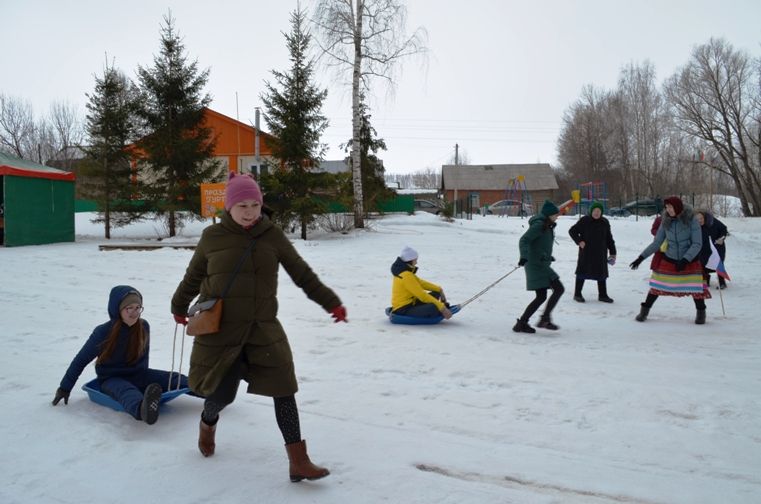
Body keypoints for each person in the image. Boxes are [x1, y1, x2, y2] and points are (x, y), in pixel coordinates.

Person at [171, 172, 346, 482]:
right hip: (222, 331)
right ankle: (207, 423)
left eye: (254, 204)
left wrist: (330, 302)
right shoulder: (213, 238)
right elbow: (193, 277)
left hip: (263, 328)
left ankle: (298, 461)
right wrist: (178, 306)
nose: (250, 211)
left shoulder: (272, 235)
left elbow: (301, 273)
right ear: (229, 207)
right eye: (242, 205)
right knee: (222, 395)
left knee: (285, 389)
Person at [52, 285, 188, 425]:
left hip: (138, 374)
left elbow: (143, 359)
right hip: (111, 379)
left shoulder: (143, 327)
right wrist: (64, 388)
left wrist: (146, 381)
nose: (134, 313)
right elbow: (80, 360)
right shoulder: (103, 332)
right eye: (129, 308)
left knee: (174, 378)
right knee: (127, 392)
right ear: (118, 309)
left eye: (138, 308)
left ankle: (207, 390)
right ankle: (143, 410)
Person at [629, 196, 711, 324]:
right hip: (670, 258)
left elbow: (697, 244)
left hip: (689, 260)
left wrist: (685, 260)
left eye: (671, 207)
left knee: (696, 289)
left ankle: (701, 314)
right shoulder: (665, 221)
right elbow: (657, 243)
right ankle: (644, 311)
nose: (668, 210)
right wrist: (641, 258)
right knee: (656, 286)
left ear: (677, 207)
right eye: (666, 207)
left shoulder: (691, 220)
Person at [513, 200, 565, 333]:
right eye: (555, 214)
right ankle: (544, 319)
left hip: (540, 263)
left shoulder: (547, 225)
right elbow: (524, 240)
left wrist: (547, 256)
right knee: (558, 289)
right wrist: (523, 256)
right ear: (548, 215)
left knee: (541, 296)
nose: (557, 216)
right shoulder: (539, 225)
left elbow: (539, 245)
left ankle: (523, 323)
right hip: (536, 265)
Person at [568, 201, 617, 303]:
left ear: (601, 212)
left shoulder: (605, 222)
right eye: (594, 210)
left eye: (599, 211)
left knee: (601, 273)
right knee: (582, 272)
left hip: (600, 253)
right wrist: (579, 241)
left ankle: (602, 295)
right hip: (586, 252)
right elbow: (572, 231)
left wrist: (613, 252)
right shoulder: (584, 220)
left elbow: (609, 239)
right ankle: (577, 294)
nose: (596, 213)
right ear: (591, 211)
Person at [390, 246, 452, 319]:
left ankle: (435, 308)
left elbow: (421, 283)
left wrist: (439, 289)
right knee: (434, 307)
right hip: (403, 309)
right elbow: (421, 295)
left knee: (436, 293)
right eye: (415, 260)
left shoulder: (406, 272)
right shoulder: (406, 275)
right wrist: (442, 308)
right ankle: (436, 310)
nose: (416, 262)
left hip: (411, 303)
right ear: (410, 260)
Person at [695, 209, 729, 289]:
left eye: (701, 218)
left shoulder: (713, 222)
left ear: (705, 218)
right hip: (704, 248)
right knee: (703, 262)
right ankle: (705, 280)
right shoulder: (695, 226)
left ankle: (722, 282)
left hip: (717, 246)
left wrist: (721, 238)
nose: (699, 221)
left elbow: (724, 229)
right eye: (697, 219)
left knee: (717, 262)